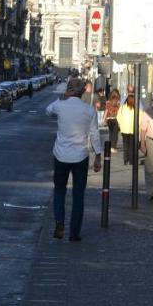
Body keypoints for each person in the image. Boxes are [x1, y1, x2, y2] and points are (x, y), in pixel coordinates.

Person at [45, 75, 104, 242]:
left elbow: (47, 111)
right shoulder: (89, 110)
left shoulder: (60, 105)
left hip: (61, 155)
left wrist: (61, 98)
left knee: (59, 191)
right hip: (80, 157)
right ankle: (74, 233)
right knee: (78, 195)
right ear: (83, 92)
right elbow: (94, 134)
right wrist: (98, 156)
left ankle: (59, 222)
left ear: (68, 90)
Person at [115, 89, 137, 164]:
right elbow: (140, 117)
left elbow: (118, 117)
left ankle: (125, 160)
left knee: (125, 145)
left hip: (124, 129)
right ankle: (131, 160)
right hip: (133, 129)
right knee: (131, 145)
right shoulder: (136, 108)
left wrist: (121, 124)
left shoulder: (122, 107)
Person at [103, 89, 121, 155]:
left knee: (111, 133)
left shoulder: (108, 102)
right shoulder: (118, 103)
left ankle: (111, 146)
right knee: (115, 134)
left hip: (109, 119)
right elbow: (119, 112)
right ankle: (113, 147)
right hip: (115, 119)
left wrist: (104, 120)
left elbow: (106, 111)